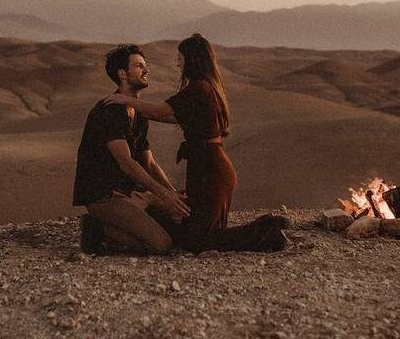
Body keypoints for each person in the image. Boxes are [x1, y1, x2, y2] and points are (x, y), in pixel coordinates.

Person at [105, 33, 289, 253]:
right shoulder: (205, 87)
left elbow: (159, 111)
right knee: (199, 234)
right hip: (207, 166)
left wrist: (125, 100)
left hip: (210, 170)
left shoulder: (198, 88)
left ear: (192, 59)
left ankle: (268, 230)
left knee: (199, 241)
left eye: (180, 57)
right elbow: (169, 117)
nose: (178, 62)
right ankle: (268, 226)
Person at [72, 44, 190, 254]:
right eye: (138, 66)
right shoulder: (108, 113)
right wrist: (163, 193)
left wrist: (171, 194)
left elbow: (149, 162)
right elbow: (126, 163)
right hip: (106, 196)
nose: (146, 70)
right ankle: (98, 228)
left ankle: (128, 222)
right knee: (161, 244)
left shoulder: (138, 112)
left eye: (145, 65)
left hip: (134, 193)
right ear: (122, 74)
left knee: (182, 222)